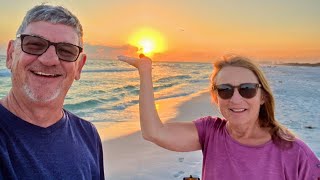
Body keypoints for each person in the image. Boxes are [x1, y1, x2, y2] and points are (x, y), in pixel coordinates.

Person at [118, 54, 320, 179]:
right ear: (216, 97)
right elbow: (154, 132)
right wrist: (145, 73)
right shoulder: (211, 132)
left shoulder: (294, 152)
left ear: (262, 96)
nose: (236, 99)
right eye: (225, 90)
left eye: (247, 89)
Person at [0, 4, 104, 179]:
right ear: (11, 55)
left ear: (79, 66)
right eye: (34, 44)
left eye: (66, 51)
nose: (49, 60)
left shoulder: (88, 134)